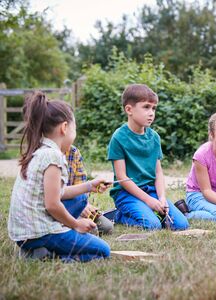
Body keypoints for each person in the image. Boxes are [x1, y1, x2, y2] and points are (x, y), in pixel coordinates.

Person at [8, 91, 110, 262]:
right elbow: (52, 204)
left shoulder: (40, 150)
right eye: (74, 128)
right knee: (102, 250)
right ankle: (48, 257)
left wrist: (89, 185)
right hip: (40, 232)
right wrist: (76, 225)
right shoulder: (54, 157)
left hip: (25, 233)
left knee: (81, 198)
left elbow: (58, 192)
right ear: (64, 128)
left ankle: (36, 251)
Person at [107, 84, 189, 230]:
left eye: (153, 108)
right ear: (129, 110)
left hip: (151, 191)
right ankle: (119, 215)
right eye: (146, 107)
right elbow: (122, 177)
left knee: (181, 225)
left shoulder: (154, 137)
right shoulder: (118, 137)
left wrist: (162, 198)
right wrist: (148, 201)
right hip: (127, 194)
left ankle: (150, 210)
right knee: (152, 225)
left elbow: (158, 172)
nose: (151, 113)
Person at [64, 145, 114, 235]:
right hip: (61, 207)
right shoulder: (48, 154)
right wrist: (78, 205)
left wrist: (84, 204)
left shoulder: (73, 151)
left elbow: (80, 185)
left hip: (76, 202)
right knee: (92, 230)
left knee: (107, 227)